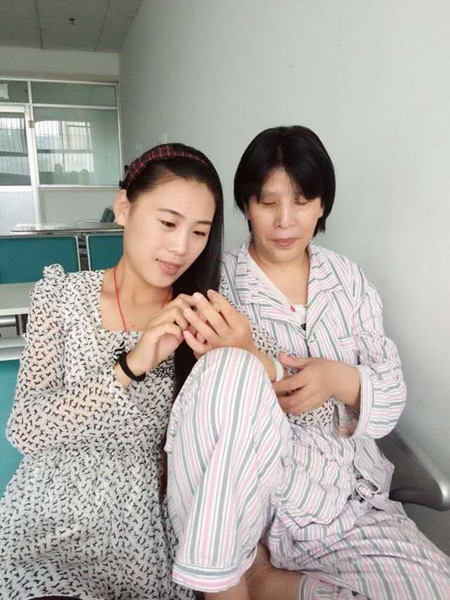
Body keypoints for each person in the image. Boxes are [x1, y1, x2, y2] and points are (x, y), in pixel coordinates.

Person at [164, 127, 450, 599]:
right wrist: (255, 360)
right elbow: (210, 403)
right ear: (246, 205)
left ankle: (269, 585)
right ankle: (240, 576)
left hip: (350, 505)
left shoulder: (348, 279)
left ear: (322, 206)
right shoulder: (216, 281)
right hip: (256, 506)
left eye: (301, 201)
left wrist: (343, 380)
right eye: (267, 202)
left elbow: (390, 392)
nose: (284, 221)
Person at [0, 143, 224, 600]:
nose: (181, 247)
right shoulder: (61, 296)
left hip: (139, 525)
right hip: (47, 513)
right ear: (124, 208)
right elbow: (24, 429)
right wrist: (129, 367)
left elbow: (282, 398)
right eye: (168, 223)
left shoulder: (201, 316)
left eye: (199, 232)